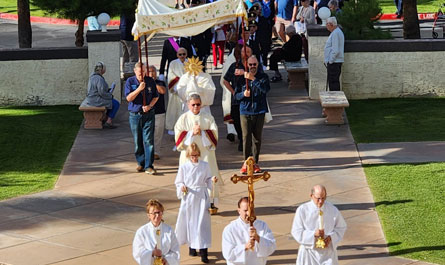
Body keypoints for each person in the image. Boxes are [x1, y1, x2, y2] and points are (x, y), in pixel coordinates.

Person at [175, 143, 217, 264]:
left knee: (202, 224)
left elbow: (208, 179)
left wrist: (212, 179)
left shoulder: (204, 165)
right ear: (188, 155)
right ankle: (192, 246)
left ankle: (204, 252)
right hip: (189, 196)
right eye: (192, 155)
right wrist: (182, 186)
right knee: (190, 223)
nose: (194, 157)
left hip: (201, 197)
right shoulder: (184, 167)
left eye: (196, 155)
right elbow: (179, 181)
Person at [174, 94, 222, 200]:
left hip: (205, 153)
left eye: (198, 104)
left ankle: (210, 202)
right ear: (188, 104)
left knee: (208, 177)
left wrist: (203, 133)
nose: (196, 107)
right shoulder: (183, 118)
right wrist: (191, 133)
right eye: (193, 104)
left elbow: (214, 134)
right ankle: (188, 199)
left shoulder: (208, 118)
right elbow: (178, 137)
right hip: (188, 154)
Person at [291, 185, 347, 265]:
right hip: (309, 254)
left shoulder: (332, 209)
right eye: (318, 198)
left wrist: (330, 237)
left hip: (327, 254)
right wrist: (313, 234)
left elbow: (341, 227)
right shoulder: (302, 210)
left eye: (323, 198)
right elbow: (296, 231)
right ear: (311, 196)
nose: (320, 201)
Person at [235, 56, 270, 173]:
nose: (252, 67)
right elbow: (236, 95)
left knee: (257, 138)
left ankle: (255, 162)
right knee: (246, 137)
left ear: (258, 65)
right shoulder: (241, 79)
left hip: (259, 110)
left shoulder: (263, 77)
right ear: (247, 65)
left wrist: (253, 79)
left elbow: (265, 89)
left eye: (254, 64)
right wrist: (243, 94)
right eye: (250, 65)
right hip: (245, 111)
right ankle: (246, 161)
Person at [125, 63, 159, 175]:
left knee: (148, 140)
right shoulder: (130, 81)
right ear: (135, 71)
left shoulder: (150, 81)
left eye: (143, 72)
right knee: (137, 140)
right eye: (139, 73)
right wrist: (139, 89)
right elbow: (129, 98)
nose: (141, 75)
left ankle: (149, 165)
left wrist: (149, 106)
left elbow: (156, 96)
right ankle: (141, 162)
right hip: (135, 115)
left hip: (148, 114)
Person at [222, 197, 276, 265]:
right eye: (245, 210)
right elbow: (228, 254)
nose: (249, 213)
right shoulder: (230, 229)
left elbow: (272, 247)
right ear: (239, 211)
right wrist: (245, 247)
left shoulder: (262, 226)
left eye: (251, 210)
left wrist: (258, 238)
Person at [223, 46, 253, 152]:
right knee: (236, 120)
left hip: (251, 99)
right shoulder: (234, 66)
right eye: (244, 52)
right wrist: (233, 92)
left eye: (248, 52)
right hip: (237, 99)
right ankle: (241, 138)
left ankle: (248, 140)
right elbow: (225, 80)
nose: (246, 54)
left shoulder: (253, 66)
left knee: (249, 121)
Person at [133, 199, 180, 265]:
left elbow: (175, 251)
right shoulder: (142, 232)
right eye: (154, 213)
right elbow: (138, 252)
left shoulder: (168, 230)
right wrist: (152, 253)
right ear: (149, 215)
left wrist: (166, 260)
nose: (157, 215)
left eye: (159, 212)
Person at [84, 61, 120, 129]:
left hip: (92, 98)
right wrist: (110, 95)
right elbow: (102, 93)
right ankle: (109, 121)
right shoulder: (99, 78)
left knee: (111, 101)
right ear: (102, 69)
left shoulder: (92, 77)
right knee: (115, 103)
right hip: (95, 100)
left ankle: (105, 117)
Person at [166, 48, 188, 135]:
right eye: (180, 54)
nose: (182, 56)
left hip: (187, 91)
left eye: (183, 54)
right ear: (177, 55)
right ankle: (174, 128)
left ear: (186, 54)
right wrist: (177, 87)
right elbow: (170, 76)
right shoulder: (173, 63)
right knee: (175, 109)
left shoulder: (190, 63)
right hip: (176, 91)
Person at [148, 65, 166, 161]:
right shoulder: (144, 83)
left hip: (159, 112)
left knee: (158, 133)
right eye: (150, 72)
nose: (152, 74)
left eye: (154, 71)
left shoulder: (160, 82)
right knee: (148, 134)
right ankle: (148, 152)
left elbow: (163, 91)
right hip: (148, 112)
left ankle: (156, 152)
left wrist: (153, 83)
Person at [324, 17, 344, 91]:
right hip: (335, 62)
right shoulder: (336, 32)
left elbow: (335, 50)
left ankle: (335, 99)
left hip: (334, 62)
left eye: (327, 24)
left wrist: (330, 61)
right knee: (333, 81)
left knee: (333, 82)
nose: (326, 26)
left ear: (331, 24)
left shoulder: (335, 33)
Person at [120, 4, 138, 73]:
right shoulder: (130, 8)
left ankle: (125, 71)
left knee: (126, 55)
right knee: (133, 56)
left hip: (123, 34)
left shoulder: (124, 6)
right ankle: (132, 72)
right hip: (129, 35)